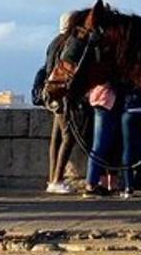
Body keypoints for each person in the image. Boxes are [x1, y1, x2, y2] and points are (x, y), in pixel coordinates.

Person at [45, 11, 77, 194]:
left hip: (51, 94)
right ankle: (57, 179)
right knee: (68, 136)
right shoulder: (67, 44)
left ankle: (52, 178)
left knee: (56, 138)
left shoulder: (54, 42)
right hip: (61, 94)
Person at [83, 82, 120, 196]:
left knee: (103, 144)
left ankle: (100, 183)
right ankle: (91, 183)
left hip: (99, 99)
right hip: (105, 100)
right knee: (99, 145)